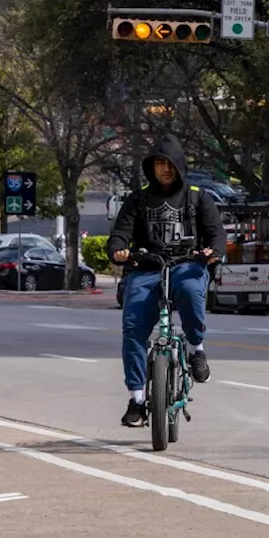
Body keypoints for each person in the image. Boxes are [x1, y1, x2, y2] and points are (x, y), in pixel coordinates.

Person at [107, 134, 226, 428]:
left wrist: (213, 251)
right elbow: (120, 233)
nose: (164, 169)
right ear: (151, 167)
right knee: (133, 325)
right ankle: (136, 399)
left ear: (179, 166)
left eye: (169, 163)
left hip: (187, 265)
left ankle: (196, 350)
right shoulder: (138, 199)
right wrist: (119, 249)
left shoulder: (198, 196)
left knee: (189, 290)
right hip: (147, 268)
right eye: (159, 163)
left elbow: (217, 234)